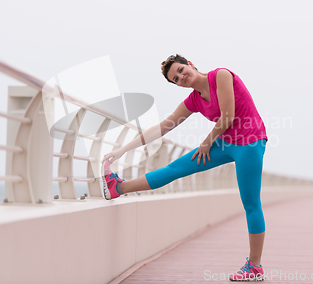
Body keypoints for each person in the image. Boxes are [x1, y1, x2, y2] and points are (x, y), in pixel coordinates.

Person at [101, 54, 268, 281]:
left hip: (250, 142)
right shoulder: (194, 101)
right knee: (176, 168)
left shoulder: (221, 75)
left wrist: (206, 143)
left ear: (190, 63)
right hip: (225, 142)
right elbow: (162, 128)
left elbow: (228, 116)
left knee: (250, 203)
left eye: (180, 70)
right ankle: (118, 188)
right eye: (176, 79)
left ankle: (255, 266)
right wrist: (123, 150)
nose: (181, 77)